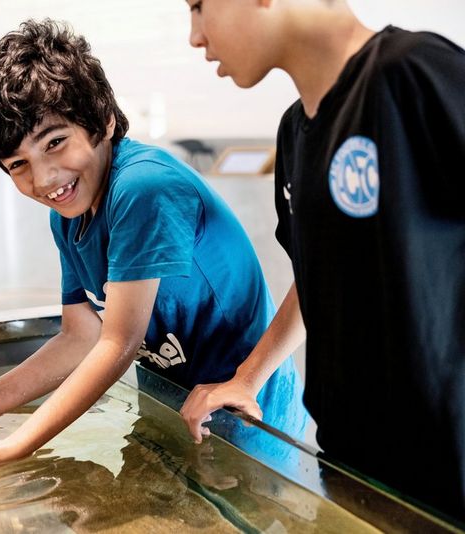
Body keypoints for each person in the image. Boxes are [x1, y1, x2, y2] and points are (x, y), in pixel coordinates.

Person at [0, 19, 307, 481]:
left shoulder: (143, 187)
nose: (45, 178)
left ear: (103, 120)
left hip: (244, 417)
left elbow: (119, 343)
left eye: (55, 143)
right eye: (19, 165)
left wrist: (16, 446)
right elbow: (80, 335)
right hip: (170, 405)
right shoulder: (68, 218)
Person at [181, 0, 465, 521]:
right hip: (354, 467)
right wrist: (247, 377)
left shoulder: (413, 74)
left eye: (199, 7)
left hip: (449, 472)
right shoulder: (295, 135)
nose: (195, 36)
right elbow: (317, 283)